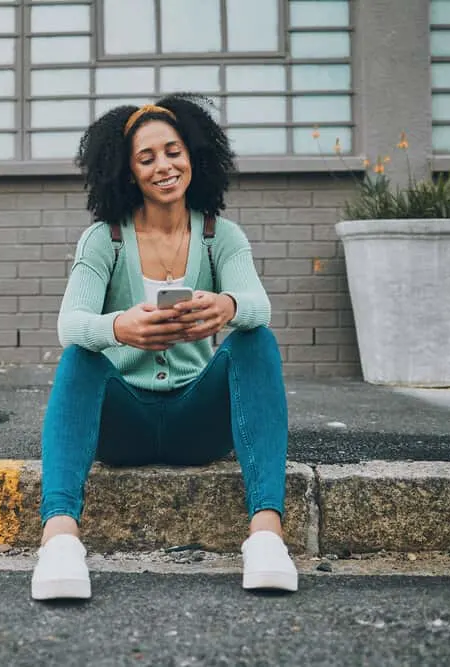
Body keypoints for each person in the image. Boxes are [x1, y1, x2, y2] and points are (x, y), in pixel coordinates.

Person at [31, 93, 296, 601]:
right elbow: (70, 323)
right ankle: (60, 540)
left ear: (194, 155)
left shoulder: (222, 236)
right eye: (146, 158)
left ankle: (266, 536)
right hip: (122, 424)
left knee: (255, 339)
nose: (164, 167)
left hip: (196, 422)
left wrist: (228, 306)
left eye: (173, 151)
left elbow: (259, 305)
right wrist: (118, 329)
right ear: (128, 172)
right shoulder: (104, 240)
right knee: (80, 355)